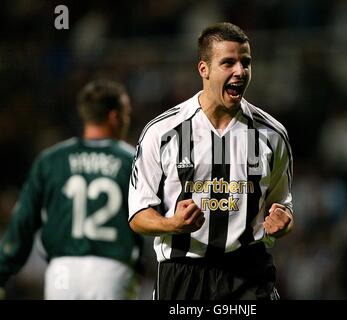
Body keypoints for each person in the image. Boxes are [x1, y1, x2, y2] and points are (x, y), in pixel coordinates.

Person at [129, 22, 294, 300]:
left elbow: (282, 207)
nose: (240, 72)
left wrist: (284, 220)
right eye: (228, 63)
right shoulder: (162, 132)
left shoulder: (272, 134)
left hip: (249, 272)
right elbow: (138, 216)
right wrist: (174, 225)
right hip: (183, 274)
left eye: (246, 62)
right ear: (203, 69)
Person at [0, 80, 144, 299]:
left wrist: (3, 272)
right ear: (115, 116)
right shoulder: (132, 160)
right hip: (113, 271)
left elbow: (23, 221)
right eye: (126, 113)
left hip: (62, 272)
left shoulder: (51, 160)